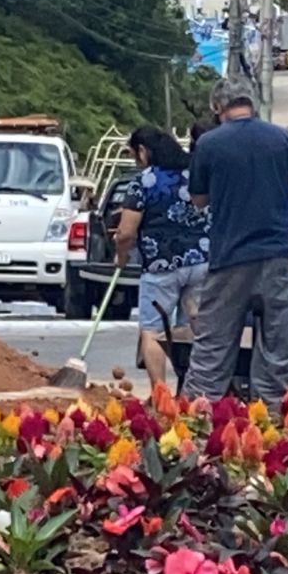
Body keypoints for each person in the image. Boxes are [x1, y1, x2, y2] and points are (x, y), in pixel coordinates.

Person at [181, 75, 288, 402]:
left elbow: (198, 200)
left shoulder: (209, 144)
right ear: (251, 103)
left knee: (212, 352)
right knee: (277, 356)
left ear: (217, 107)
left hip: (229, 260)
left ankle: (193, 436)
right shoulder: (283, 140)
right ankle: (272, 432)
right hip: (276, 258)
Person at [112, 126, 210, 387]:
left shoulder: (144, 182)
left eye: (135, 155)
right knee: (189, 328)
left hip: (161, 267)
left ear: (143, 151)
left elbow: (125, 232)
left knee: (153, 331)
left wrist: (120, 257)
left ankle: (160, 395)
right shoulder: (195, 175)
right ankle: (191, 390)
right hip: (201, 261)